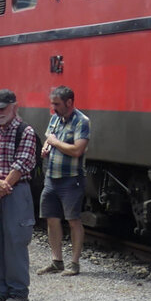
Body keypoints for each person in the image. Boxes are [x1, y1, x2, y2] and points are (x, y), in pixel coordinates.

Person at [0, 89, 37, 301]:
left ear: (15, 107)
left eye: (2, 108)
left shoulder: (26, 131)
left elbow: (21, 165)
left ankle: (19, 292)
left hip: (15, 191)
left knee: (15, 241)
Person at [38, 85, 90, 277]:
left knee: (73, 220)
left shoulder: (82, 121)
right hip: (51, 177)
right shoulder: (55, 119)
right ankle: (56, 261)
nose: (53, 107)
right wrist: (46, 148)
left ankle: (74, 263)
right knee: (51, 218)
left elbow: (77, 150)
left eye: (57, 104)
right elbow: (49, 138)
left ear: (69, 102)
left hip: (71, 179)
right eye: (52, 103)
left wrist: (55, 143)